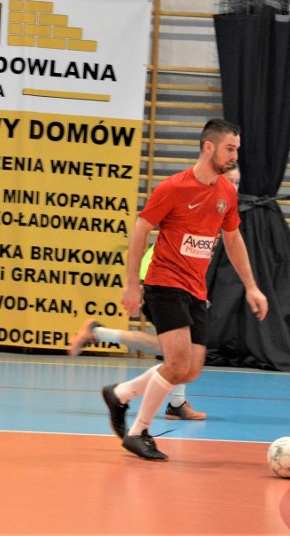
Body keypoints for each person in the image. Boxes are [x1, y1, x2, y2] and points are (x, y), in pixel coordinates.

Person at [75, 119, 267, 461]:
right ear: (209, 147)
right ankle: (139, 432)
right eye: (230, 149)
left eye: (237, 149)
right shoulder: (174, 188)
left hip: (196, 288)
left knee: (190, 369)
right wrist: (132, 283)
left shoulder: (225, 192)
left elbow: (233, 238)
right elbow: (140, 229)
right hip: (165, 282)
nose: (235, 155)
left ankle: (119, 394)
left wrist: (252, 286)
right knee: (177, 362)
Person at [69, 165, 242, 422]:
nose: (233, 188)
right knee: (175, 349)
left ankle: (100, 335)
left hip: (183, 283)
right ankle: (151, 404)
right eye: (229, 181)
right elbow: (152, 238)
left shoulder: (221, 205)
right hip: (160, 277)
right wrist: (135, 285)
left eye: (237, 183)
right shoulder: (190, 192)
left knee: (180, 350)